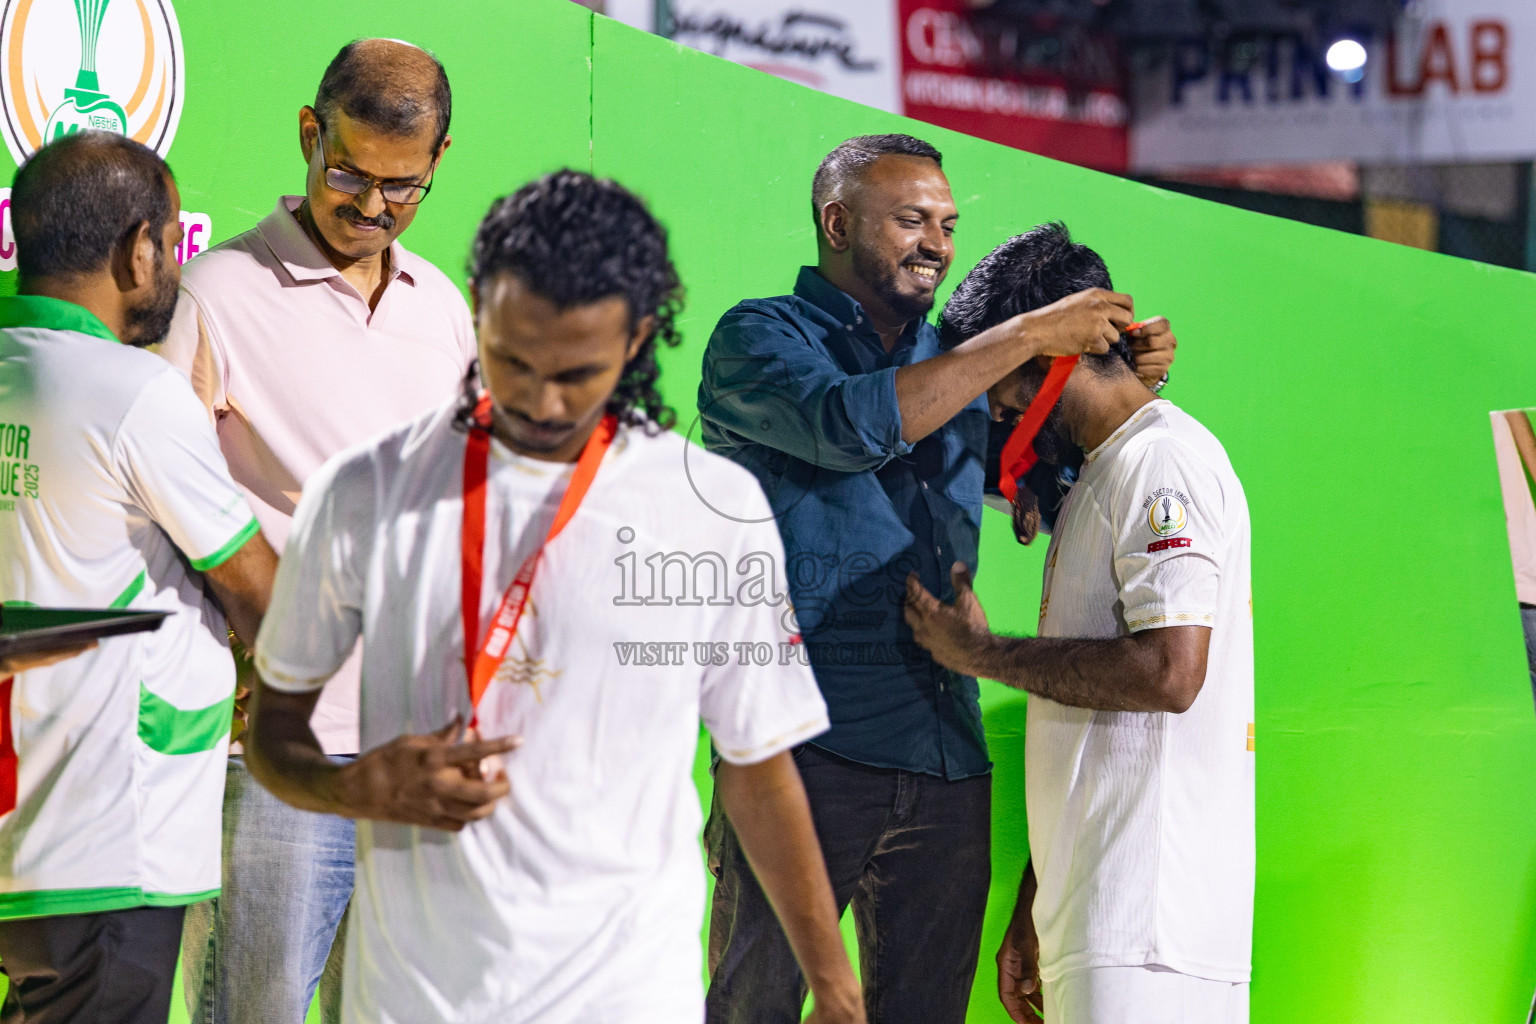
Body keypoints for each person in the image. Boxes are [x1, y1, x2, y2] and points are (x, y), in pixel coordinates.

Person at [243, 170, 865, 1024]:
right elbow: (274, 736)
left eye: (577, 373)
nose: (539, 400)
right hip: (415, 998)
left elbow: (758, 764)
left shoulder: (710, 509)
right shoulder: (365, 490)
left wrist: (833, 986)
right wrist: (358, 789)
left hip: (625, 989)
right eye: (512, 361)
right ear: (478, 310)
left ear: (640, 337)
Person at [697, 133, 1177, 1023]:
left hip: (948, 763)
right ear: (837, 223)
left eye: (949, 224)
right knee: (751, 1008)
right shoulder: (758, 338)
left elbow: (1042, 467)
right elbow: (853, 428)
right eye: (911, 220)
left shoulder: (969, 361)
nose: (937, 243)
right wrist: (1029, 334)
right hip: (800, 753)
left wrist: (1108, 373)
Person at [156, 39, 475, 1023]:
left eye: (402, 186)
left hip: (420, 758)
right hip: (285, 762)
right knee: (251, 1011)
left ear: (440, 160)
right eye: (348, 174)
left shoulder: (446, 310)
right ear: (309, 133)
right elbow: (158, 507)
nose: (372, 206)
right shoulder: (216, 293)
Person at [905, 223, 1254, 1024]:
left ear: (1049, 355)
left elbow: (1171, 673)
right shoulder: (1103, 474)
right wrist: (1037, 900)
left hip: (1149, 930)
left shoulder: (1163, 461)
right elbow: (1091, 731)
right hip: (1100, 925)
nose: (993, 406)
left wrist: (984, 654)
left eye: (1000, 379)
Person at [0, 131, 276, 1024]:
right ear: (138, 248)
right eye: (170, 244)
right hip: (106, 844)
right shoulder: (137, 394)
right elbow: (262, 592)